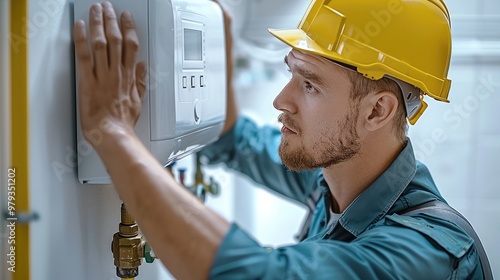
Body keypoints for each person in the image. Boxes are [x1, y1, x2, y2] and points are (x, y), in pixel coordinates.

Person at [73, 0, 484, 279]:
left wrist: (112, 133)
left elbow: (261, 275)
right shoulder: (334, 180)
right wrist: (219, 41)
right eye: (292, 72)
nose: (280, 99)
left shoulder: (424, 253)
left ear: (376, 111)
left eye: (309, 84)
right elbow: (235, 141)